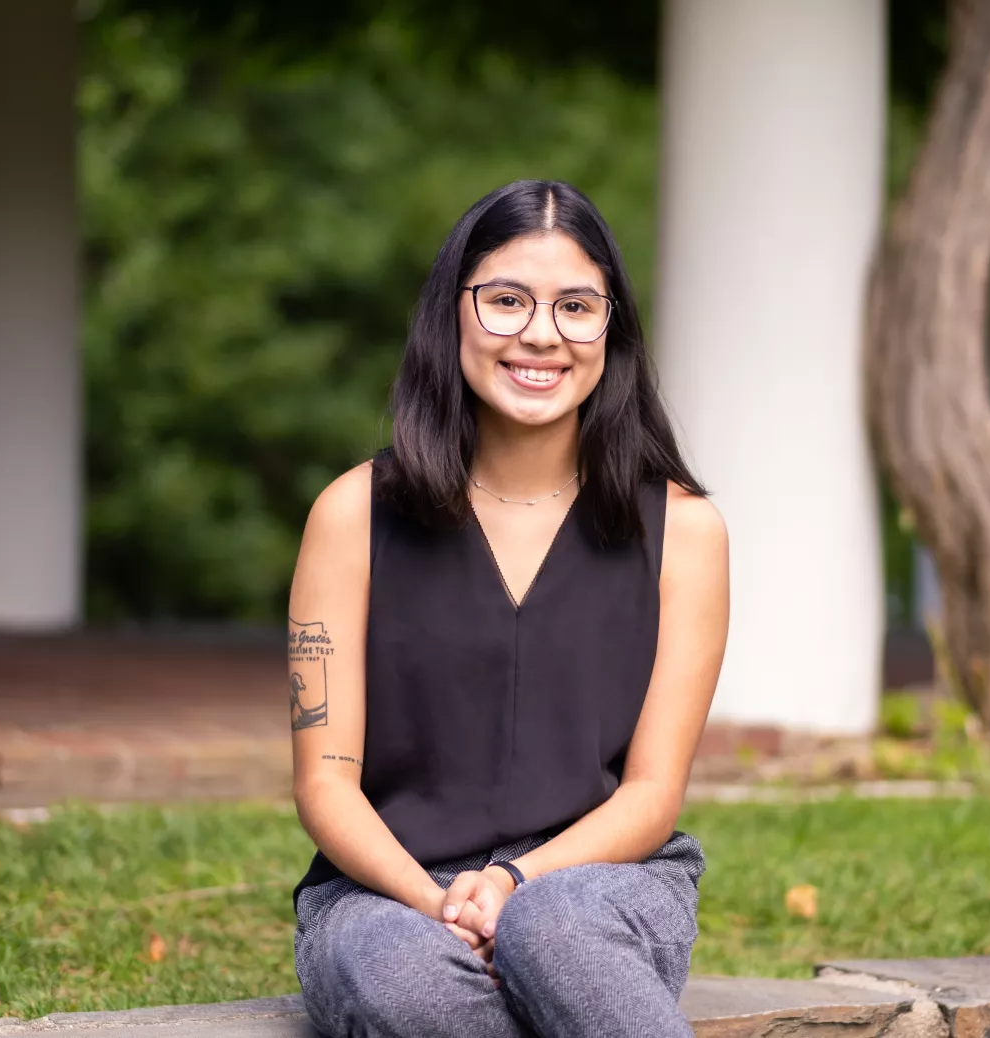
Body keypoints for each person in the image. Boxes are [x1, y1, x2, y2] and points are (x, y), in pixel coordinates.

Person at [287, 178, 730, 1038]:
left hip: (601, 880)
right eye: (506, 300)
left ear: (613, 330)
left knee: (556, 931)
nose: (540, 333)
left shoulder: (684, 531)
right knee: (402, 978)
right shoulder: (351, 515)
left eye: (576, 305)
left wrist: (515, 889)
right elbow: (325, 783)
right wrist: (443, 903)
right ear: (451, 313)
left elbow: (650, 796)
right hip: (384, 888)